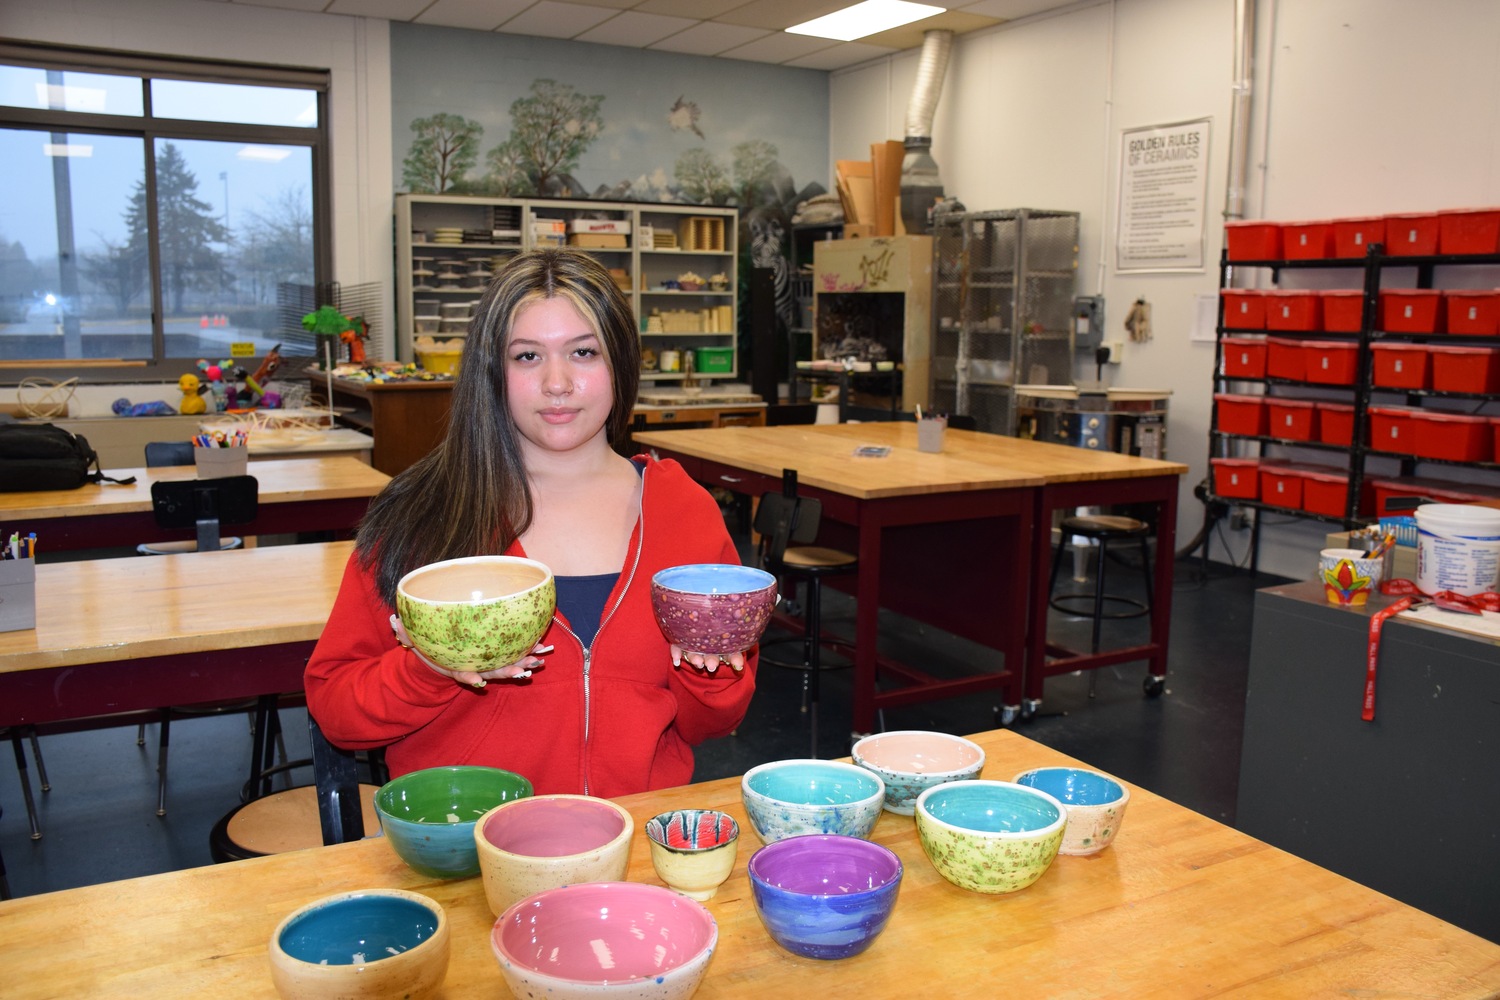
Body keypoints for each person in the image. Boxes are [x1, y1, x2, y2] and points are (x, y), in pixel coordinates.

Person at [305, 248, 757, 798]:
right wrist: (425, 670)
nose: (557, 382)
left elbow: (710, 725)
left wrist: (709, 672)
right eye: (527, 357)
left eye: (583, 352)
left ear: (621, 360)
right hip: (469, 850)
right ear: (492, 371)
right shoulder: (426, 514)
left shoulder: (683, 511)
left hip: (631, 846)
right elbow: (337, 710)